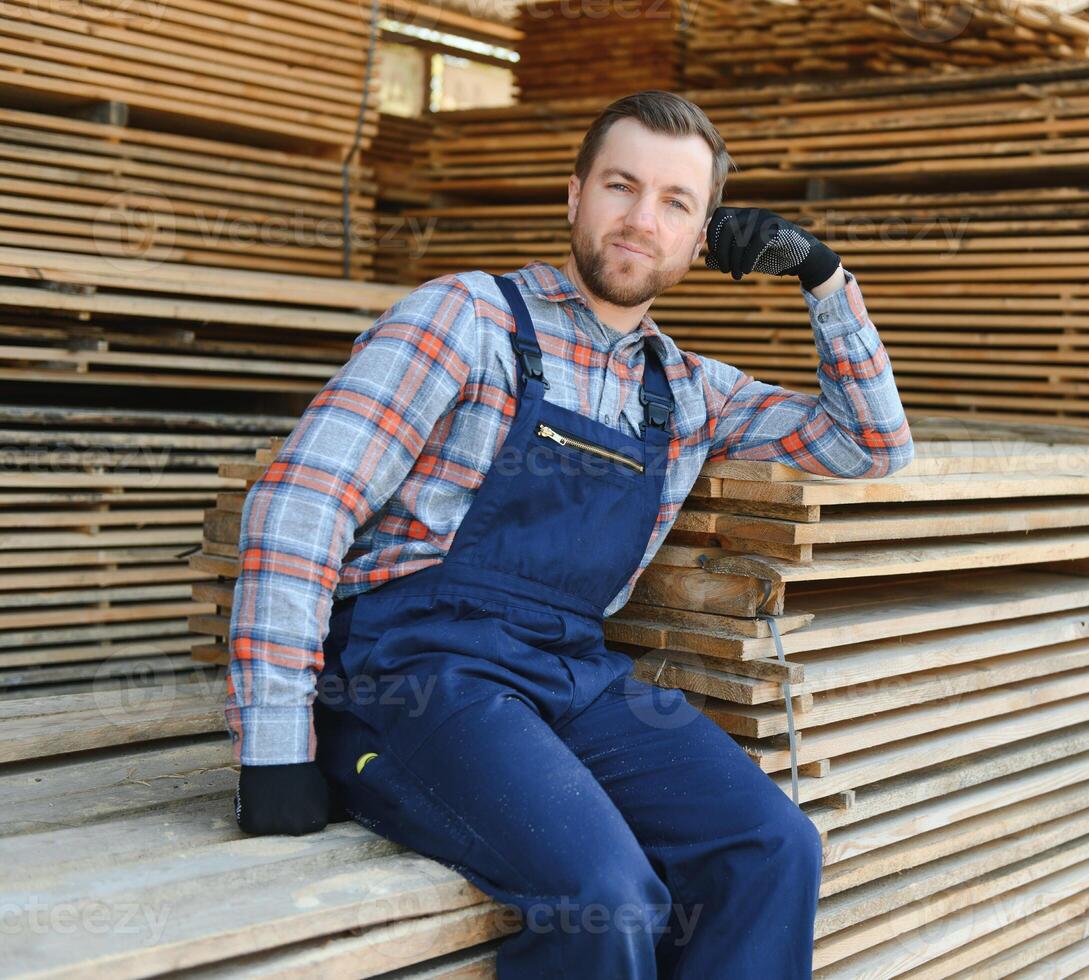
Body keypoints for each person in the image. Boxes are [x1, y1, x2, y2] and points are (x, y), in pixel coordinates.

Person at [225, 90, 913, 978]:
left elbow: (870, 444)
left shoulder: (687, 389)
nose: (640, 219)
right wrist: (273, 747)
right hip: (417, 671)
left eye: (676, 202)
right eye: (620, 186)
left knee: (771, 846)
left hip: (570, 672)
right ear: (573, 195)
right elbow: (300, 506)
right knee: (609, 898)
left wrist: (820, 275)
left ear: (703, 237)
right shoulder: (465, 319)